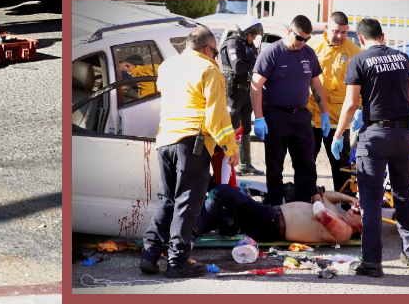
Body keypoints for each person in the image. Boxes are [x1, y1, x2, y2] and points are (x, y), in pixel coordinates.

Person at [140, 26, 239, 279]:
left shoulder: (168, 66)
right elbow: (217, 116)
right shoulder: (208, 69)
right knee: (186, 204)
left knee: (166, 200)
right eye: (215, 52)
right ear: (208, 49)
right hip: (192, 144)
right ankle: (177, 263)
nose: (216, 57)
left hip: (165, 140)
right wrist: (230, 147)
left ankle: (149, 255)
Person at [331, 17, 409, 278]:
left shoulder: (359, 60)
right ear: (382, 36)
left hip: (375, 136)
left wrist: (338, 135)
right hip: (404, 135)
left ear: (360, 39)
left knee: (370, 201)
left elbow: (349, 105)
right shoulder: (403, 59)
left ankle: (371, 261)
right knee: (404, 195)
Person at [250, 14, 328, 206]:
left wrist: (324, 112)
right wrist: (259, 118)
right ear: (289, 32)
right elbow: (256, 85)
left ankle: (306, 202)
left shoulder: (308, 53)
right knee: (275, 163)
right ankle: (275, 205)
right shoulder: (272, 53)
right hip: (276, 115)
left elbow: (316, 84)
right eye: (299, 38)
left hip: (301, 116)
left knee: (306, 163)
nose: (302, 42)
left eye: (307, 39)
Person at [196, 184, 362, 245]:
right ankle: (180, 225)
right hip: (271, 220)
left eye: (362, 212)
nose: (358, 207)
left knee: (222, 192)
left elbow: (319, 213)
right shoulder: (339, 215)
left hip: (273, 222)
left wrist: (318, 198)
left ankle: (191, 230)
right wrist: (348, 197)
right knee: (224, 218)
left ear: (362, 227)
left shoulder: (345, 231)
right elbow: (326, 196)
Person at [308, 11, 362, 191]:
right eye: (335, 31)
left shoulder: (354, 52)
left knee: (341, 165)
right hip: (310, 116)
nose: (340, 36)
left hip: (338, 120)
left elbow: (360, 85)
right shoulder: (312, 45)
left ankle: (347, 204)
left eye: (344, 32)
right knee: (307, 162)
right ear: (326, 28)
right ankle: (306, 199)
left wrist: (359, 108)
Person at [221, 18, 263, 175]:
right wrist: (254, 60)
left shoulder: (249, 45)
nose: (253, 39)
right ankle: (228, 163)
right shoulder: (233, 43)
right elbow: (237, 66)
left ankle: (245, 163)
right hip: (234, 92)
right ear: (246, 33)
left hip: (246, 91)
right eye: (253, 35)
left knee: (245, 127)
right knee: (231, 126)